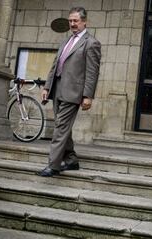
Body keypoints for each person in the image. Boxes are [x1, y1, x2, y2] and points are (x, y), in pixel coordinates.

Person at [37, 7, 101, 177]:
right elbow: (54, 66)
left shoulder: (91, 43)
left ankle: (53, 165)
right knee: (63, 127)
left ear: (85, 21)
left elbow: (92, 72)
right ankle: (71, 160)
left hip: (73, 92)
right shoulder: (65, 41)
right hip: (57, 89)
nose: (72, 24)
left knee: (59, 128)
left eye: (76, 21)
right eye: (70, 21)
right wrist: (46, 87)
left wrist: (88, 96)